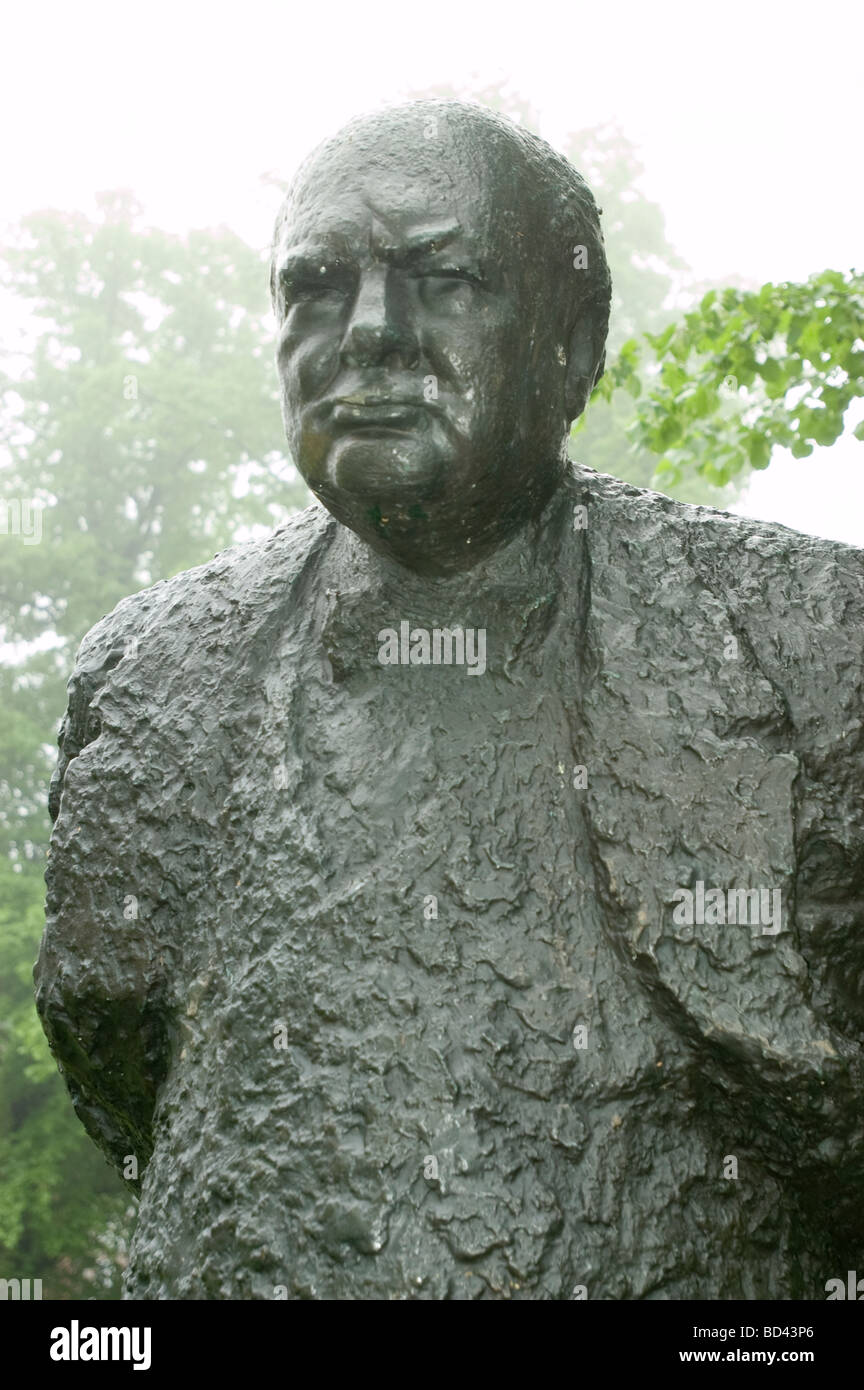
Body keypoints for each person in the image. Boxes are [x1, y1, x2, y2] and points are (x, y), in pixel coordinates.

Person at [36, 100, 864, 1300]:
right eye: (316, 286)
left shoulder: (812, 639)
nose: (371, 332)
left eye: (447, 277)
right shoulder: (151, 674)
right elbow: (122, 1065)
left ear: (573, 342)